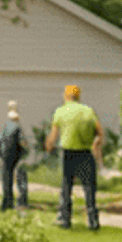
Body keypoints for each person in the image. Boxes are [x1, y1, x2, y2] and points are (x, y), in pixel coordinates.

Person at [45, 85, 104, 230]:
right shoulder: (88, 110)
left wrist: (49, 146)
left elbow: (53, 135)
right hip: (86, 153)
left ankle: (65, 219)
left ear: (65, 96)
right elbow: (100, 132)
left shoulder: (60, 111)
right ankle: (93, 221)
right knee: (89, 188)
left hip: (68, 153)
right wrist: (96, 144)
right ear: (78, 96)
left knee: (66, 187)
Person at [0, 101, 29, 212]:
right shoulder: (18, 128)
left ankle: (6, 203)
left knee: (7, 180)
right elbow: (23, 143)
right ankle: (22, 202)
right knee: (21, 177)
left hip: (6, 156)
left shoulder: (5, 127)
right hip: (16, 156)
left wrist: (1, 154)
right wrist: (25, 153)